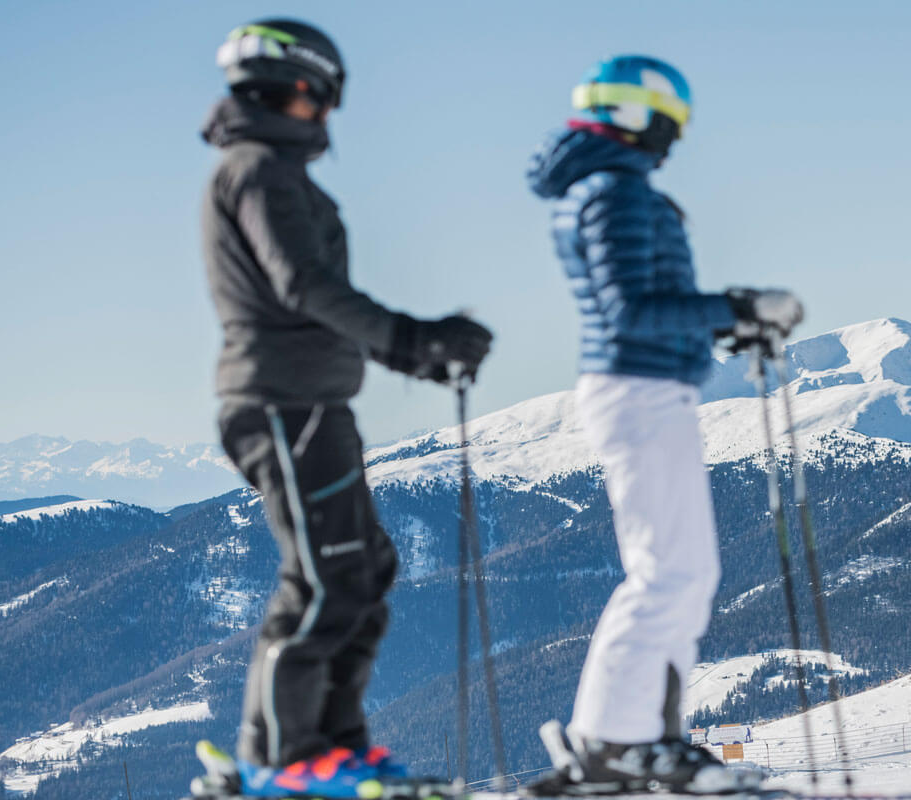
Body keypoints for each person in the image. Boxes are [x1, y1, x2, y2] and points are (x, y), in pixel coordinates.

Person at [198, 18, 493, 798]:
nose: (329, 115)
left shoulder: (275, 172)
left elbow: (305, 295)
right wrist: (409, 338)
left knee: (365, 568)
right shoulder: (258, 169)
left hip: (316, 401)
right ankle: (278, 760)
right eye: (326, 98)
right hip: (279, 401)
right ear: (301, 87)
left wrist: (408, 351)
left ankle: (334, 747)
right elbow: (300, 284)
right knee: (325, 576)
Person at [522, 55, 802, 795]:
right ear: (638, 116)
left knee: (681, 572)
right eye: (670, 121)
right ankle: (618, 744)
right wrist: (738, 308)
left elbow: (642, 309)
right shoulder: (613, 194)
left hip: (647, 385)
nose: (674, 138)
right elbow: (630, 311)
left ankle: (632, 741)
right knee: (669, 573)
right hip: (640, 392)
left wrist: (719, 324)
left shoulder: (606, 188)